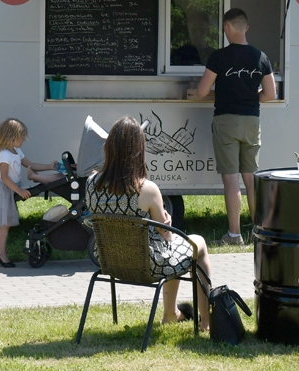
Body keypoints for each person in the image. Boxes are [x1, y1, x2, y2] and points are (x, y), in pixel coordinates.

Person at [86, 116, 213, 329]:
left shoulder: (91, 184)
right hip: (148, 264)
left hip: (109, 261)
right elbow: (167, 236)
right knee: (196, 244)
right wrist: (166, 222)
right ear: (138, 149)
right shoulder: (146, 189)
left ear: (109, 147)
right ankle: (206, 322)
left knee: (173, 251)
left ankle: (172, 313)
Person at [196, 8, 275, 245]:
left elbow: (201, 91)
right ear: (246, 28)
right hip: (252, 121)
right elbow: (271, 94)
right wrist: (250, 99)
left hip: (226, 121)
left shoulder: (219, 57)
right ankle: (258, 232)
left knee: (231, 180)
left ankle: (234, 235)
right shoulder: (261, 57)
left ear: (226, 28)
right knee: (251, 178)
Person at [0, 118, 61, 267]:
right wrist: (19, 190)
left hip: (12, 187)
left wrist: (50, 166)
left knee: (6, 223)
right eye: (22, 137)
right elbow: (4, 177)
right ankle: (0, 253)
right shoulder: (4, 154)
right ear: (12, 137)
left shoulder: (17, 151)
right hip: (4, 189)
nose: (24, 140)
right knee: (4, 223)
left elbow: (31, 165)